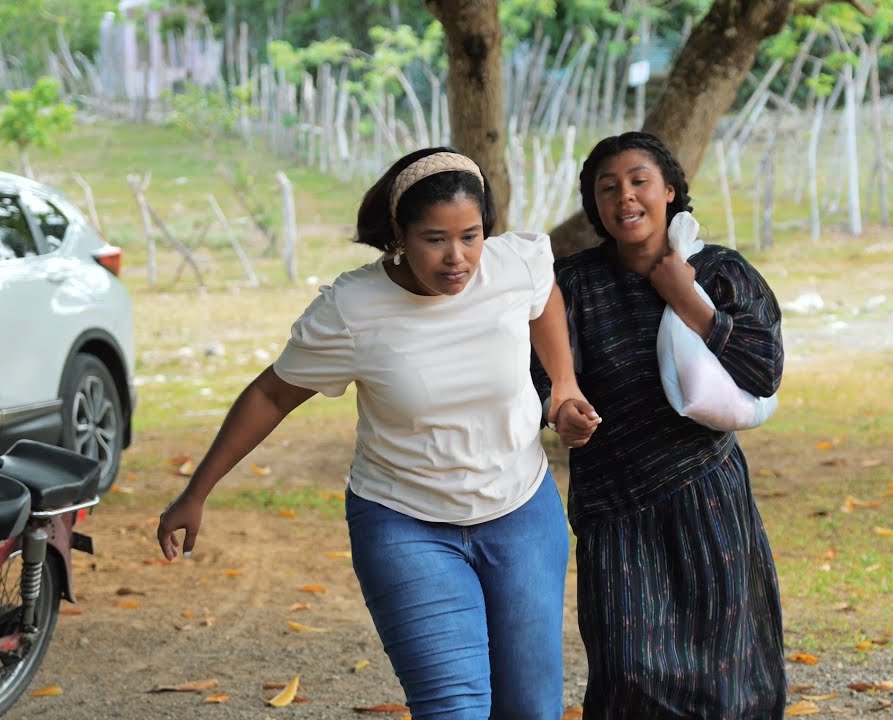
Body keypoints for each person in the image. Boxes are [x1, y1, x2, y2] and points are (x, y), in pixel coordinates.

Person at [156, 147, 600, 720]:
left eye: (470, 235)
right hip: (404, 522)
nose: (457, 258)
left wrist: (562, 387)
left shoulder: (514, 264)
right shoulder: (354, 308)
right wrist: (196, 492)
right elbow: (271, 393)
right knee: (456, 708)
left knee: (530, 708)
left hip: (520, 514)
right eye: (434, 239)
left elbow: (543, 301)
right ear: (399, 233)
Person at [533, 131, 786, 718]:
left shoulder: (720, 272)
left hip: (708, 492)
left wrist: (688, 298)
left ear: (670, 189)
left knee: (729, 662)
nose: (625, 196)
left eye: (639, 181)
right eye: (607, 188)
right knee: (628, 666)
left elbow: (764, 368)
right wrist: (561, 412)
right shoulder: (571, 284)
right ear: (594, 206)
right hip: (614, 503)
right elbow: (543, 375)